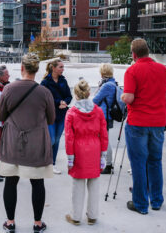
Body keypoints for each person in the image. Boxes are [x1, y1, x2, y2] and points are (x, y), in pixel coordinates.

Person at [0, 53, 55, 233]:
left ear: (22, 68)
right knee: (37, 183)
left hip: (13, 141)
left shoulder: (8, 89)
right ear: (36, 70)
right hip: (36, 142)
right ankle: (37, 224)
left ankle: (10, 222)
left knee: (10, 181)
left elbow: (0, 116)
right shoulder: (44, 92)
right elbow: (52, 119)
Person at [121, 38, 166, 215]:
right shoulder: (163, 69)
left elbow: (129, 97)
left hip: (138, 123)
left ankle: (140, 204)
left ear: (134, 54)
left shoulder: (132, 70)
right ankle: (156, 200)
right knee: (155, 161)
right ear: (147, 51)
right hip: (158, 123)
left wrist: (122, 97)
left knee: (138, 163)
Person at [65, 80, 108, 226]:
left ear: (75, 95)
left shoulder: (71, 113)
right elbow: (104, 134)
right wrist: (103, 154)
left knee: (78, 184)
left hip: (78, 149)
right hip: (94, 149)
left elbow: (69, 137)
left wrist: (70, 158)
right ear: (89, 93)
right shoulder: (98, 111)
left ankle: (76, 217)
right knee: (94, 183)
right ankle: (92, 216)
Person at [41, 58, 72, 174]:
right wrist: (59, 102)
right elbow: (44, 98)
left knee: (57, 139)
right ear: (53, 68)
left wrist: (65, 103)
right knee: (52, 139)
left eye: (63, 67)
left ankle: (52, 164)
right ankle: (45, 161)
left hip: (62, 114)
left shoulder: (63, 80)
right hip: (50, 114)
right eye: (60, 67)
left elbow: (69, 96)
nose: (63, 69)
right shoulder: (45, 82)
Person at [93, 63, 116, 174]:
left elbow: (95, 100)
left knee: (104, 141)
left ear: (102, 72)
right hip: (106, 116)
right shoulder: (112, 83)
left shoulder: (107, 86)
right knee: (103, 139)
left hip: (104, 116)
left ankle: (108, 165)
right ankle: (105, 163)